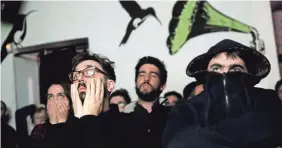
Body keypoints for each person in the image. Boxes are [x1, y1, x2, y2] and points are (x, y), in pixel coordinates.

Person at [163, 39, 282, 147]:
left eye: (235, 69)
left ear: (248, 73)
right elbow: (177, 143)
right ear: (206, 73)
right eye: (216, 68)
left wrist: (203, 134)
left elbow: (275, 130)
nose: (225, 73)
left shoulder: (267, 98)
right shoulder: (186, 108)